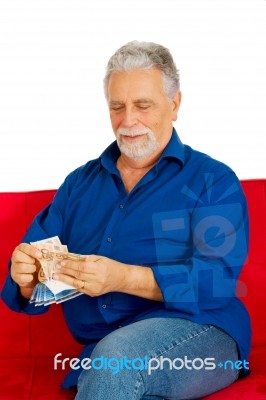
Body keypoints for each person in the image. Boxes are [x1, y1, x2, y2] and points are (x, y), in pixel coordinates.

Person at [1, 41, 251, 400]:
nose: (128, 120)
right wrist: (25, 277)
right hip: (102, 351)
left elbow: (215, 281)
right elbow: (31, 279)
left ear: (175, 104)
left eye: (143, 105)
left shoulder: (213, 181)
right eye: (117, 107)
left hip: (203, 333)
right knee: (114, 366)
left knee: (117, 360)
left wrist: (122, 277)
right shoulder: (78, 185)